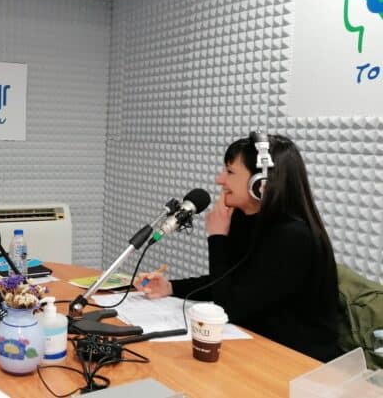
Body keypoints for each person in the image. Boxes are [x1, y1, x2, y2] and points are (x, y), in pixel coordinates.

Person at [135, 133, 342, 362]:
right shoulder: (246, 219)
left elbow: (231, 307)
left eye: (230, 172)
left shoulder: (294, 236)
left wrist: (217, 237)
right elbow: (233, 282)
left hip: (299, 361)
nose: (219, 180)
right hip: (258, 346)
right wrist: (171, 287)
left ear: (260, 183)